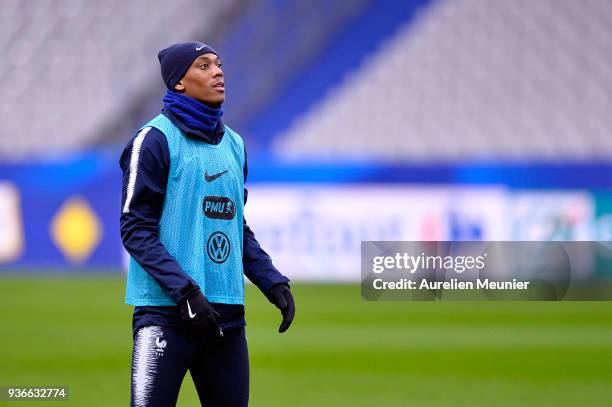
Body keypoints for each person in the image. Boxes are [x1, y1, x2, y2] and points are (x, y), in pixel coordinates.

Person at [119, 41, 295, 407]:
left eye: (218, 64)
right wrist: (185, 292)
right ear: (179, 82)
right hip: (166, 314)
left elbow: (236, 227)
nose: (218, 71)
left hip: (226, 319)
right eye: (203, 65)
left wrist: (272, 281)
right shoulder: (153, 141)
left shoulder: (235, 145)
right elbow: (135, 229)